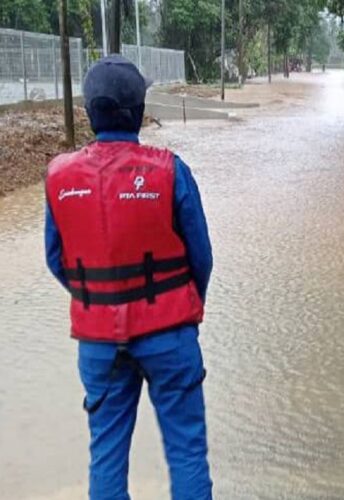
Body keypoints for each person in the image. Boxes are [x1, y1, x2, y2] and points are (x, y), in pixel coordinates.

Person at [44, 55, 213, 500]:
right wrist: (183, 305)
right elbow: (202, 257)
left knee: (106, 456)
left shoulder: (58, 177)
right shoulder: (171, 170)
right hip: (170, 336)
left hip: (99, 345)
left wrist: (101, 299)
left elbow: (55, 258)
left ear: (88, 113)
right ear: (140, 111)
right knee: (187, 452)